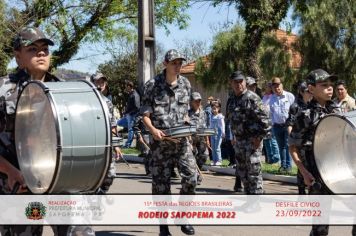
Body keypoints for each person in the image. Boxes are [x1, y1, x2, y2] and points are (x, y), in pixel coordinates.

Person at [0, 27, 94, 236]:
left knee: (79, 232)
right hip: (19, 184)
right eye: (33, 49)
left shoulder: (63, 87)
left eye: (45, 49)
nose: (41, 53)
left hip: (60, 183)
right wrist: (10, 172)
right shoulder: (3, 90)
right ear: (18, 57)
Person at [289, 69, 356, 236]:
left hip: (341, 172)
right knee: (320, 227)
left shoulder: (337, 109)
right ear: (311, 89)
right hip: (317, 176)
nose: (330, 88)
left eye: (331, 85)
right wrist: (304, 173)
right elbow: (293, 147)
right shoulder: (304, 115)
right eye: (324, 85)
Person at [140, 49, 197, 236]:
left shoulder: (186, 84)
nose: (178, 66)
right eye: (174, 63)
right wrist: (153, 130)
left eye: (180, 63)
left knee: (191, 178)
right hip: (160, 145)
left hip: (181, 142)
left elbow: (185, 111)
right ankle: (163, 227)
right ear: (165, 64)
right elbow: (145, 115)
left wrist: (188, 121)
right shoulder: (152, 85)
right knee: (161, 186)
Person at [226, 71, 271, 194]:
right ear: (231, 83)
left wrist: (259, 138)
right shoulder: (231, 100)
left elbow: (266, 120)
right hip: (239, 141)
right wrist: (234, 135)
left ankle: (256, 200)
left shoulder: (252, 98)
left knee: (253, 172)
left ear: (245, 82)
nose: (238, 84)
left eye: (241, 81)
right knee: (243, 171)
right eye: (235, 82)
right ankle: (249, 198)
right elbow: (230, 119)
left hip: (252, 141)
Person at [91, 73, 121, 193]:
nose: (101, 84)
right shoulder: (87, 102)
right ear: (92, 83)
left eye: (102, 82)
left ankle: (100, 194)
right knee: (92, 176)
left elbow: (113, 125)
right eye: (98, 81)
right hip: (93, 145)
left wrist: (117, 145)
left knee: (110, 175)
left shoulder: (108, 103)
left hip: (107, 144)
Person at [286, 81, 313, 194]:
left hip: (311, 141)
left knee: (310, 166)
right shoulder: (295, 106)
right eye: (307, 91)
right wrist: (294, 141)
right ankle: (301, 192)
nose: (310, 93)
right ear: (301, 92)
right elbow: (290, 124)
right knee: (302, 166)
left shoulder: (313, 104)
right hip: (300, 140)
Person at [269, 76, 295, 173]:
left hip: (287, 125)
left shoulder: (289, 96)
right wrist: (271, 126)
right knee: (281, 147)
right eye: (274, 86)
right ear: (272, 88)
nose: (277, 88)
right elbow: (271, 113)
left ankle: (288, 166)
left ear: (282, 85)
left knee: (289, 146)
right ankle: (283, 165)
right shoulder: (272, 98)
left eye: (278, 85)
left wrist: (292, 125)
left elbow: (294, 111)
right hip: (277, 125)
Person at [188, 92, 209, 184]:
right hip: (191, 139)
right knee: (192, 158)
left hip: (201, 139)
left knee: (204, 156)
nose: (198, 102)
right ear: (191, 102)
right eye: (196, 101)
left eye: (199, 100)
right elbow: (186, 128)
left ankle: (197, 171)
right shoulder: (188, 114)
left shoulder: (204, 113)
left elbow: (206, 127)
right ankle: (196, 175)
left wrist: (207, 140)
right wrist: (189, 140)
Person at [261, 82, 280, 164]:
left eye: (268, 87)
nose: (267, 88)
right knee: (266, 140)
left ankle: (276, 157)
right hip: (264, 121)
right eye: (266, 87)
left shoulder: (273, 96)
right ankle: (270, 158)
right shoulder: (264, 97)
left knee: (273, 139)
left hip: (271, 121)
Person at [122, 80, 140, 148]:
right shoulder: (131, 94)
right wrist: (126, 113)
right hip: (128, 115)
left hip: (132, 115)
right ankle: (133, 129)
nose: (125, 88)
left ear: (129, 86)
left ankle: (127, 145)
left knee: (130, 129)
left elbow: (137, 107)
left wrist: (129, 113)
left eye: (126, 86)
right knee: (119, 123)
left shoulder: (135, 95)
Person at [209, 100, 225, 166]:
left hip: (218, 134)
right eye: (213, 109)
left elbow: (222, 125)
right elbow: (210, 125)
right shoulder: (211, 116)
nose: (214, 110)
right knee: (213, 147)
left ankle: (219, 160)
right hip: (212, 133)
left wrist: (223, 132)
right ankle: (214, 160)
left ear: (218, 109)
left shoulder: (220, 116)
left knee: (217, 147)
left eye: (215, 109)